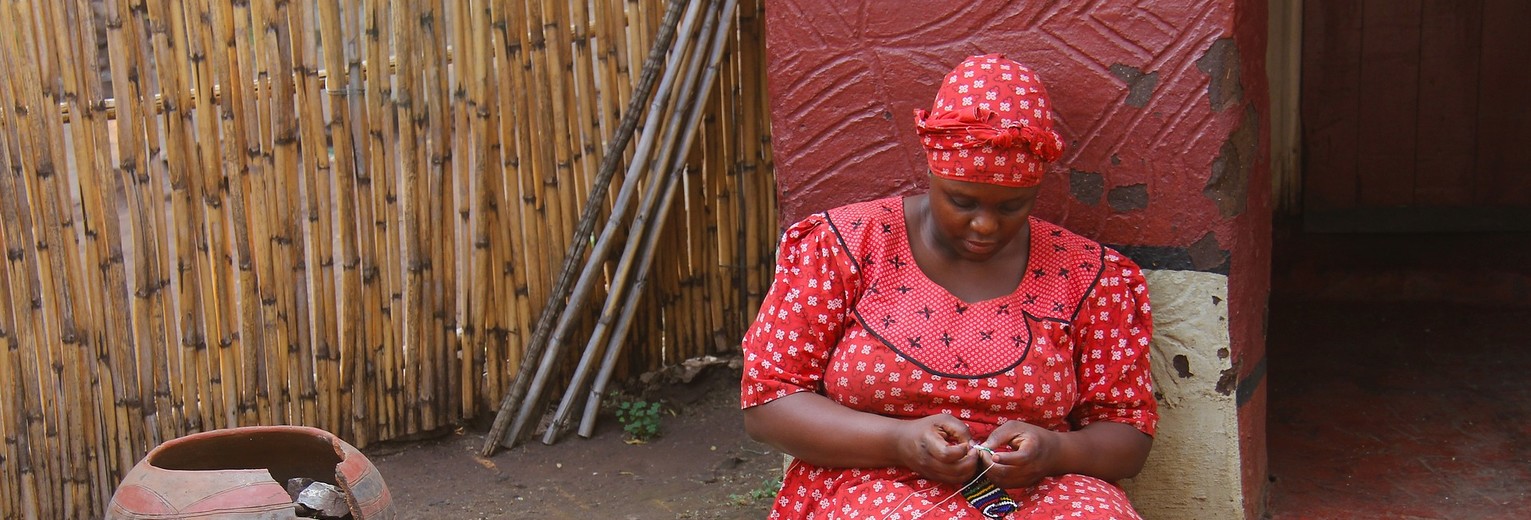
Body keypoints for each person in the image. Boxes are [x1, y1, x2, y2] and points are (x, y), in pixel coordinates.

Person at [740, 54, 1158, 519]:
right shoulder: (844, 246)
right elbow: (768, 402)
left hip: (1041, 489)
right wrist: (898, 441)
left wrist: (1056, 452)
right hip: (870, 480)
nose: (984, 225)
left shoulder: (1087, 274)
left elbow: (1126, 434)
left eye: (1011, 207)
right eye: (961, 200)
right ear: (933, 172)